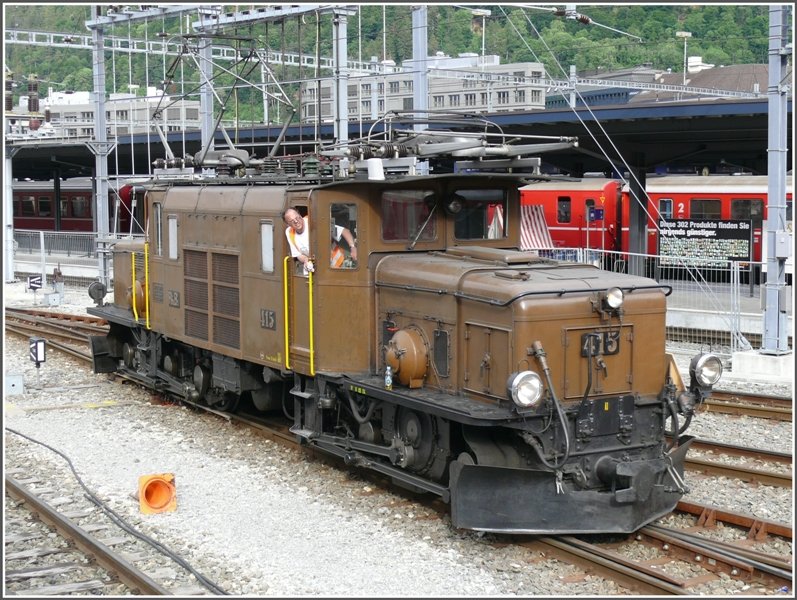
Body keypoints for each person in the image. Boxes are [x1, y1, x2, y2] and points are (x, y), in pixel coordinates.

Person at [282, 208, 357, 275]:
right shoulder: (289, 233)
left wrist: (353, 247)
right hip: (319, 272)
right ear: (288, 224)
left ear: (299, 214)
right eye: (292, 221)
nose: (296, 221)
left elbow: (344, 231)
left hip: (338, 264)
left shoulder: (316, 222)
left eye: (297, 217)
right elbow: (298, 255)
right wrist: (305, 260)